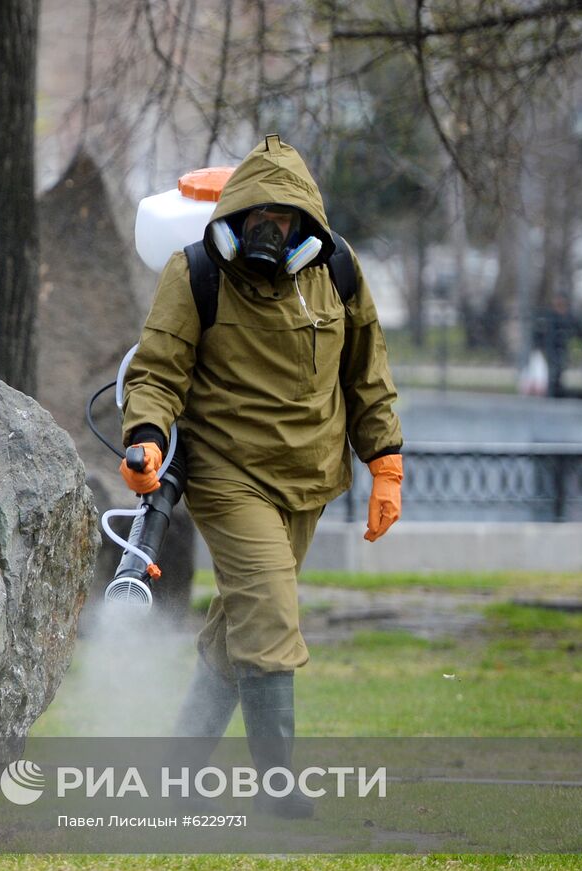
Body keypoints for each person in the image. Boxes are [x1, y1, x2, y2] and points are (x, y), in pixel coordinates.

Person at [118, 135, 404, 818]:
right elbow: (157, 370)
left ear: (304, 226)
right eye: (257, 219)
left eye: (282, 222)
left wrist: (385, 461)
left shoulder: (338, 269)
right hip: (229, 475)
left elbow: (368, 372)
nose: (269, 233)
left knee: (237, 622)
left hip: (310, 478)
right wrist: (146, 438)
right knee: (271, 611)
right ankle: (279, 783)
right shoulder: (195, 274)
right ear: (235, 218)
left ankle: (177, 771)